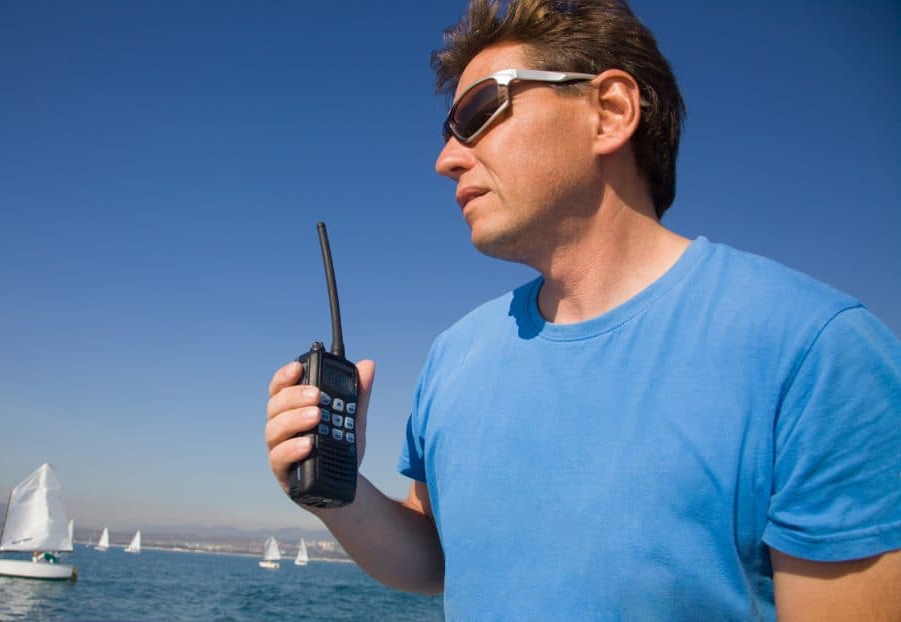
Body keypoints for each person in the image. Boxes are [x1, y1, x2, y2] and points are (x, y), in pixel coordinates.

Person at [265, 0, 901, 619]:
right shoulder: (455, 355)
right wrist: (335, 494)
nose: (445, 158)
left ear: (610, 111)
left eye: (480, 111)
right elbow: (437, 559)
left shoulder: (817, 353)